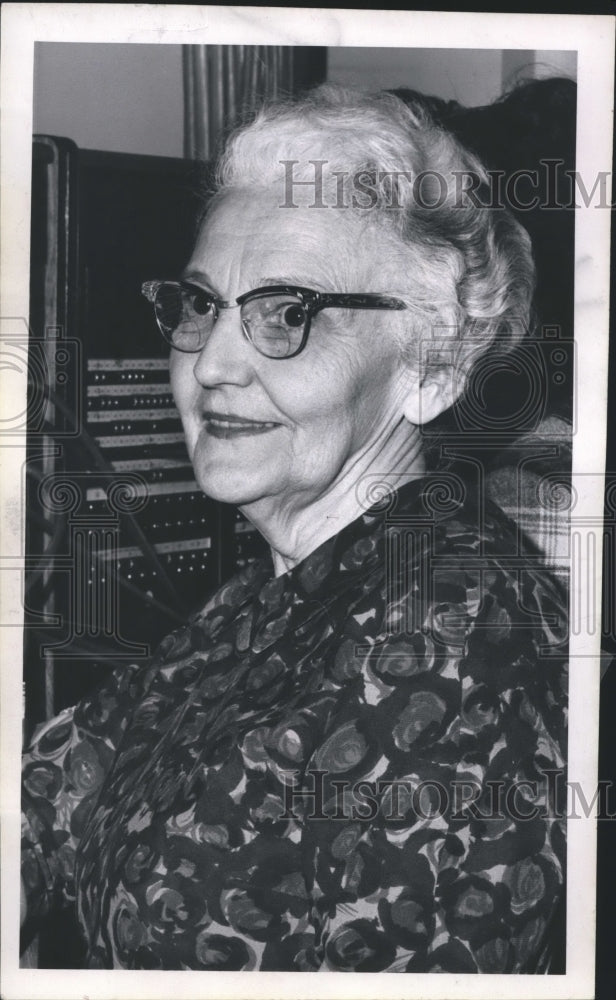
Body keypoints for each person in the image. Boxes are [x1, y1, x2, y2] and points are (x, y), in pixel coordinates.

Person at [21, 85, 568, 973]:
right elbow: (50, 798)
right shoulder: (274, 592)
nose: (212, 364)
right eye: (201, 306)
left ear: (433, 368)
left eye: (287, 313)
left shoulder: (458, 653)